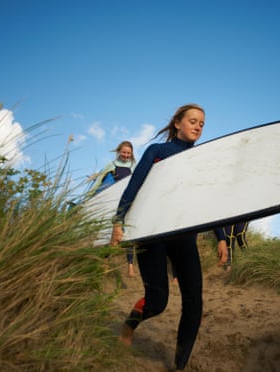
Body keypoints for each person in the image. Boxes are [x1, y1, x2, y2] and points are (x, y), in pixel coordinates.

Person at [111, 104, 225, 371]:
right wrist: (119, 221)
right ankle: (130, 324)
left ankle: (179, 365)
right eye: (193, 121)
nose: (198, 126)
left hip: (185, 237)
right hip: (153, 235)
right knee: (157, 302)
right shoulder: (158, 152)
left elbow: (207, 201)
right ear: (177, 123)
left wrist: (220, 237)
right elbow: (133, 186)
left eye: (202, 123)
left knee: (194, 303)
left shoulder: (201, 161)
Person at [87, 140, 138, 276]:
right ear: (118, 152)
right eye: (124, 152)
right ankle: (105, 261)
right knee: (110, 234)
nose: (126, 155)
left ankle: (130, 266)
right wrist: (89, 196)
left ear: (131, 153)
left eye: (128, 153)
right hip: (112, 203)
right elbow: (99, 181)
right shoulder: (111, 165)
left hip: (126, 202)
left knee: (129, 234)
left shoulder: (134, 166)